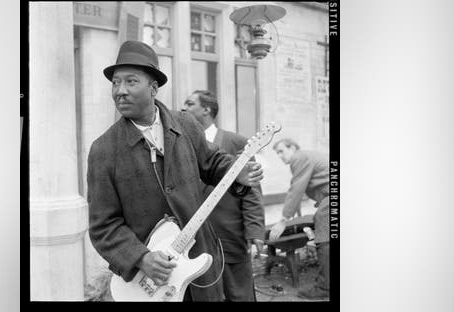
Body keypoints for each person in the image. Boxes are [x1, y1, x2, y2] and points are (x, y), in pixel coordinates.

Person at [87, 41, 264, 302]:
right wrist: (141, 258)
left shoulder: (186, 124)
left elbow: (213, 162)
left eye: (131, 82)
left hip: (201, 269)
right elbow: (103, 226)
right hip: (149, 282)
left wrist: (237, 173)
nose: (120, 91)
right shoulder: (103, 150)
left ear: (154, 88)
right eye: (115, 83)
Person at [182, 90, 265, 301]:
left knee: (239, 294)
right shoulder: (180, 145)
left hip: (230, 235)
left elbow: (252, 191)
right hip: (194, 240)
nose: (184, 108)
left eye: (190, 103)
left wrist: (255, 231)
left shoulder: (237, 142)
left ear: (207, 110)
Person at [268, 138, 330, 300]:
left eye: (281, 151)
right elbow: (301, 188)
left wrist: (283, 220)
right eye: (277, 153)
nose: (280, 156)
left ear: (293, 147)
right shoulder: (307, 157)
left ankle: (325, 287)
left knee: (324, 240)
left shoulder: (299, 157)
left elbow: (296, 189)